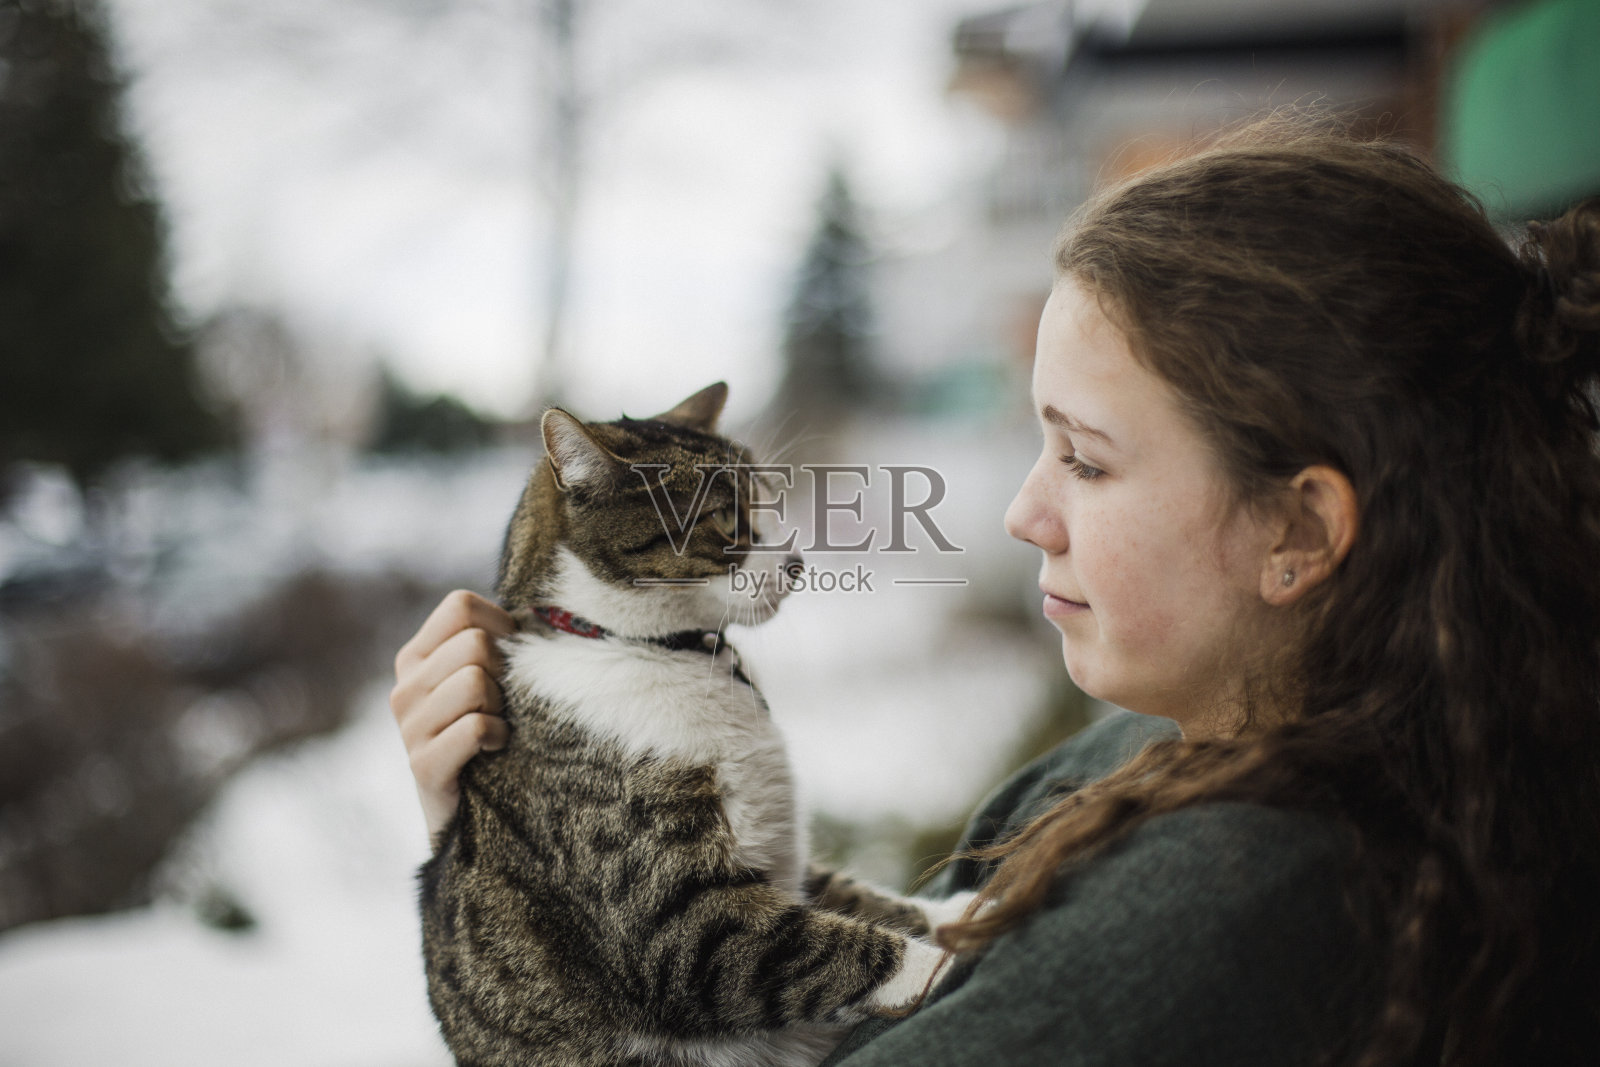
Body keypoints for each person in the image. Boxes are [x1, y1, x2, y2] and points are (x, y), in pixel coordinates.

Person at [389, 120, 1600, 1065]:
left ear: (1298, 525)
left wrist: (487, 912)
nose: (1024, 512)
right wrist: (521, 861)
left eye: (1085, 456)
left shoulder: (1225, 913)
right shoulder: (1183, 746)